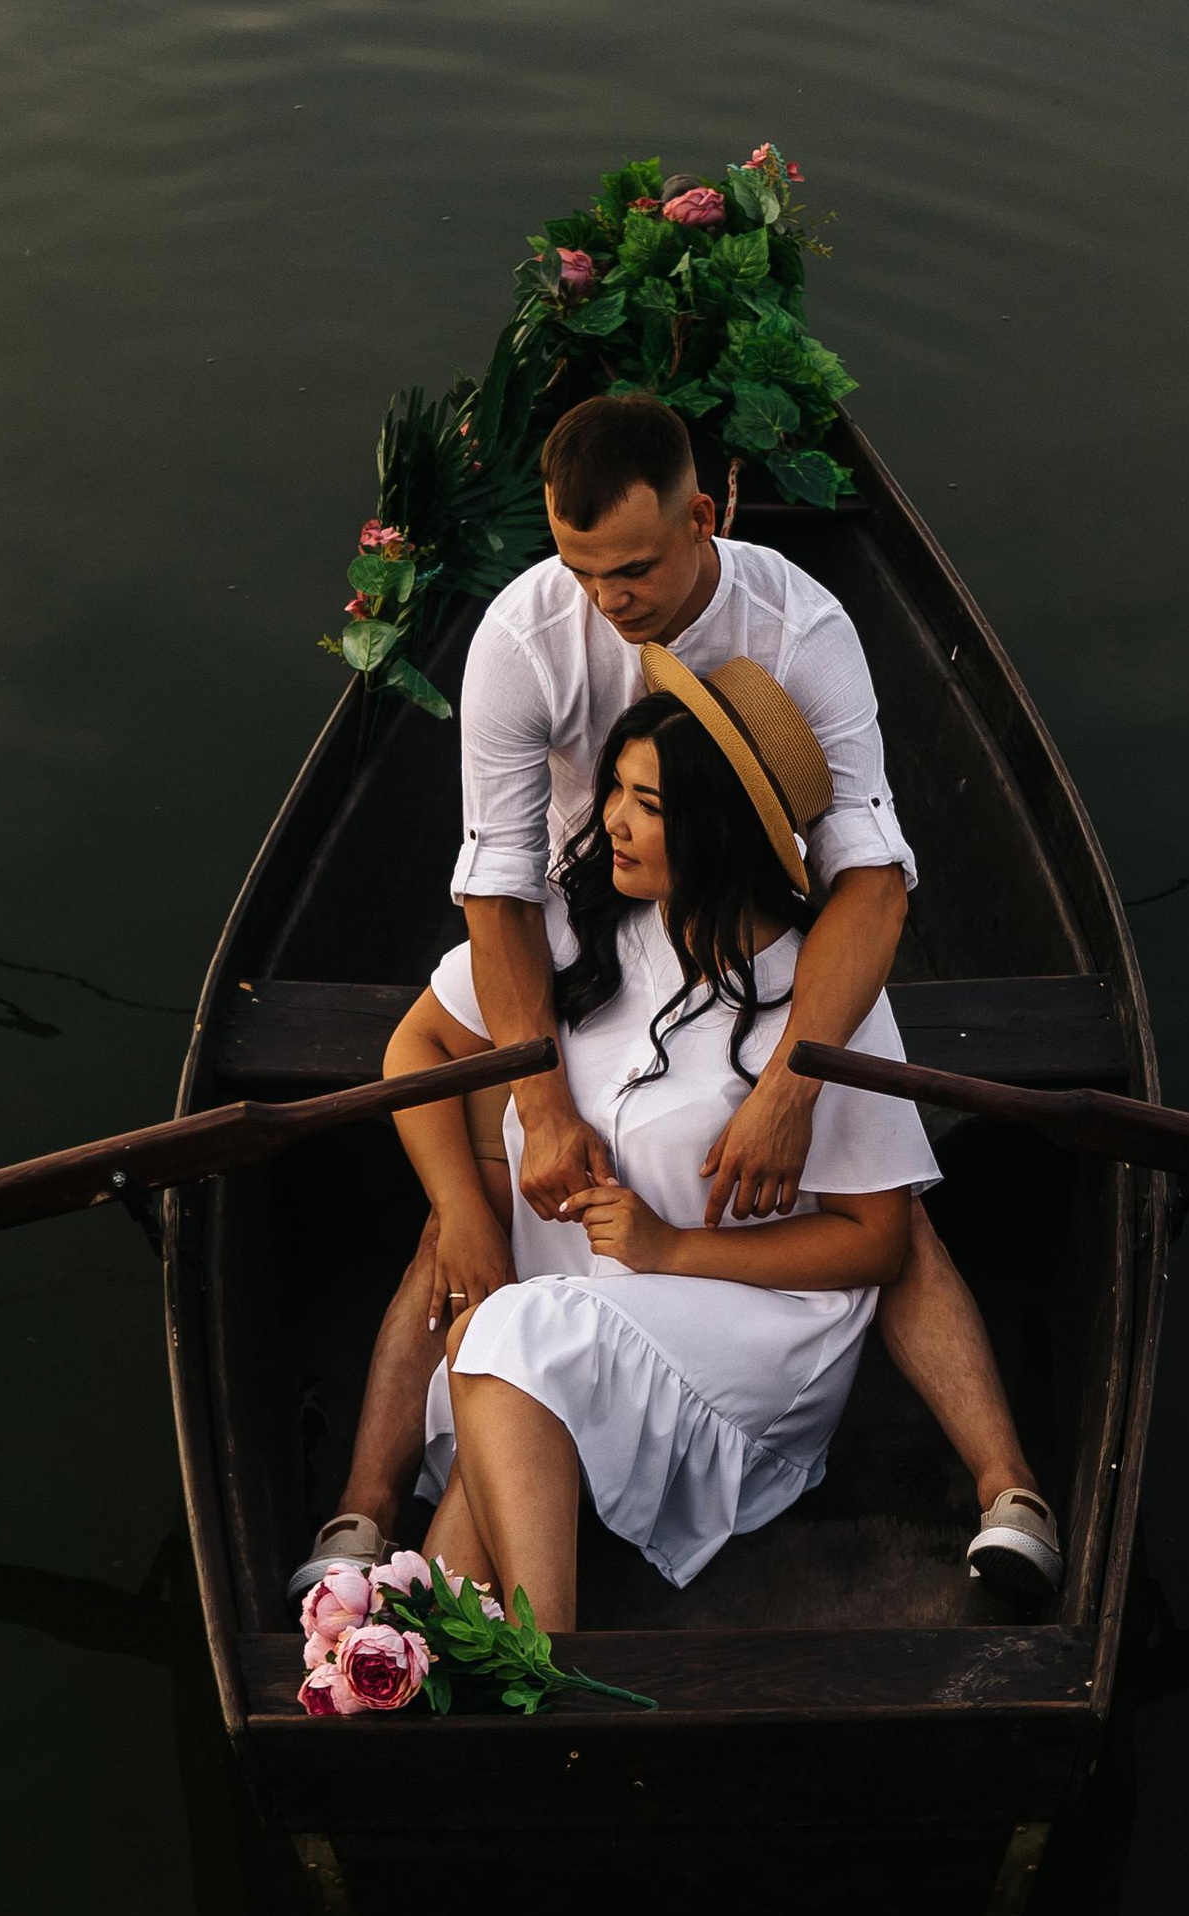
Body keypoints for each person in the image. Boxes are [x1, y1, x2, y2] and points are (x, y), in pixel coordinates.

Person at [294, 388, 1063, 1611]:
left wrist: (795, 1086)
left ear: (707, 514)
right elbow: (495, 887)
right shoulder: (522, 639)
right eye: (579, 566)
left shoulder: (798, 629)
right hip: (579, 928)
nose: (607, 600)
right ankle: (371, 1525)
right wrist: (537, 1109)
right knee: (479, 1200)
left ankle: (1007, 1485)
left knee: (885, 1212)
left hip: (751, 908)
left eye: (636, 569)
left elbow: (870, 875)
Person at [394, 657, 939, 1623]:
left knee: (513, 1331)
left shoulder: (819, 998)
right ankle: (428, 1640)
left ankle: (540, 1652)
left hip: (752, 1340)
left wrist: (675, 1248)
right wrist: (458, 1211)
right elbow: (421, 1042)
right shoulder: (585, 922)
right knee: (505, 1336)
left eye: (648, 803)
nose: (610, 818)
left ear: (718, 830)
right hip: (580, 1319)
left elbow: (879, 1240)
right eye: (614, 786)